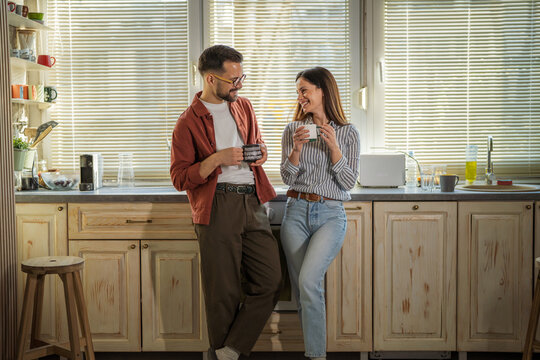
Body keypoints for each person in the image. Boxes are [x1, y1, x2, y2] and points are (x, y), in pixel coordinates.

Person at [170, 45, 281, 360]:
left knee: (270, 281)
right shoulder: (187, 122)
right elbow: (180, 178)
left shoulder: (244, 106)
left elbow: (259, 148)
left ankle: (226, 352)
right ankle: (226, 354)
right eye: (233, 79)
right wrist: (216, 159)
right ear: (210, 78)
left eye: (241, 77)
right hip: (217, 206)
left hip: (253, 203)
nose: (239, 85)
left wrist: (261, 153)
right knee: (223, 294)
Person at [280, 67, 360, 360]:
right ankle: (313, 352)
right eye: (298, 91)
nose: (300, 97)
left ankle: (316, 357)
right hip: (296, 212)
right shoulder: (292, 130)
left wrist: (334, 148)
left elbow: (349, 182)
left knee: (309, 281)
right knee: (303, 290)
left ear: (322, 91)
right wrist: (297, 149)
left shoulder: (348, 132)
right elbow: (287, 177)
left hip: (330, 214)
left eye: (305, 90)